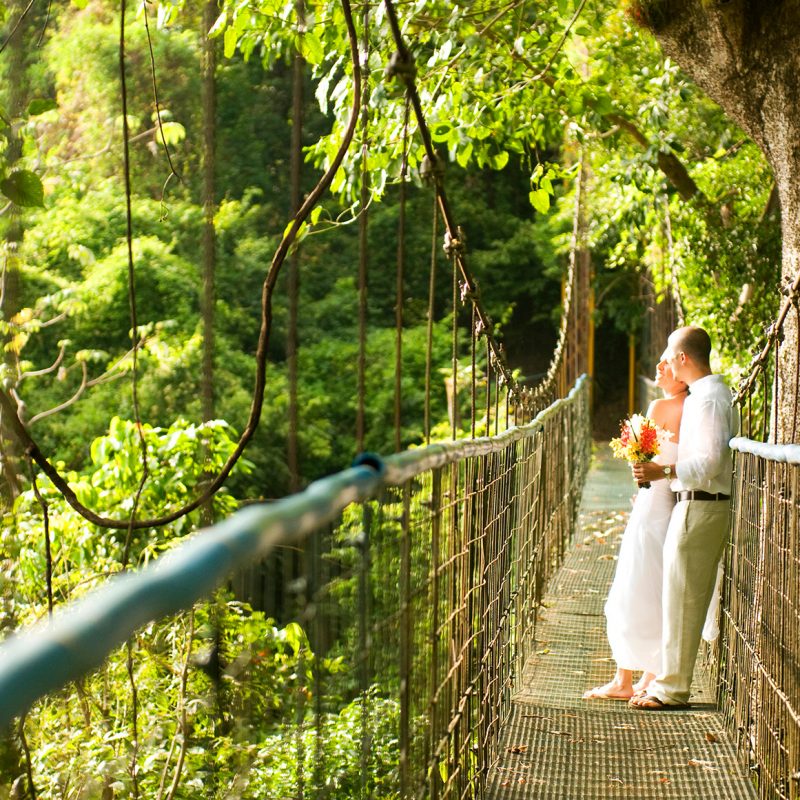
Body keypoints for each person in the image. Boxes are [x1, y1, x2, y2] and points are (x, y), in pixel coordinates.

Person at [629, 326, 735, 710]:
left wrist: (664, 473)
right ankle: (668, 684)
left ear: (684, 359)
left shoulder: (708, 400)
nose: (668, 362)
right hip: (695, 503)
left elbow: (711, 462)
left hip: (700, 503)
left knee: (683, 597)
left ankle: (672, 689)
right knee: (680, 594)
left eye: (671, 354)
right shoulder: (704, 396)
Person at [582, 360, 688, 700]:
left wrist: (639, 467)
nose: (658, 365)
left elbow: (644, 465)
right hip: (674, 506)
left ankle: (623, 680)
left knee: (630, 588)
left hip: (650, 509)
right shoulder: (696, 408)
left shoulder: (659, 406)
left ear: (682, 367)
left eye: (668, 361)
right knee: (657, 588)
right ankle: (649, 676)